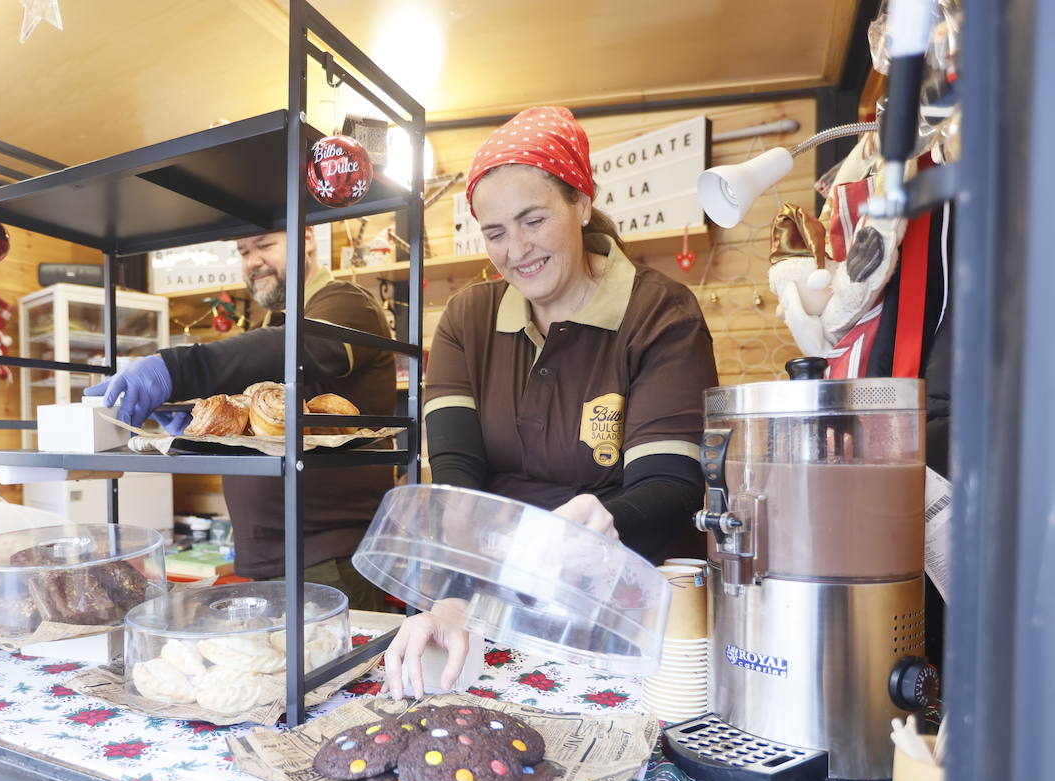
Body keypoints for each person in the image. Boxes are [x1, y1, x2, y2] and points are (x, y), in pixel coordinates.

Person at [385, 106, 719, 698]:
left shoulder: (660, 314)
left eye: (533, 220)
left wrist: (604, 521)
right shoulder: (469, 318)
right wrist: (451, 598)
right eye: (494, 232)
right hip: (499, 603)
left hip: (628, 616)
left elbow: (670, 482)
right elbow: (460, 479)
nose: (516, 250)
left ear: (582, 204)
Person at [85, 228, 394, 610]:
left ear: (308, 239)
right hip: (272, 562)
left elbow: (307, 346)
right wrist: (209, 435)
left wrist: (178, 367)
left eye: (265, 245)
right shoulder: (268, 330)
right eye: (243, 251)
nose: (253, 261)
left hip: (328, 562)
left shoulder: (347, 303)